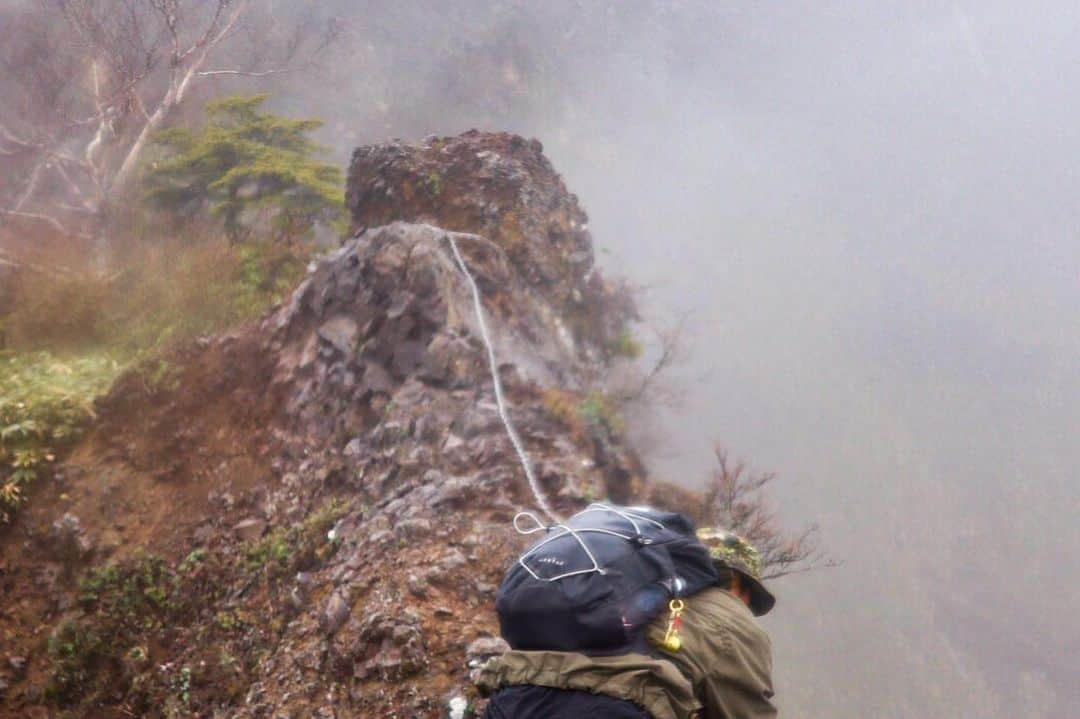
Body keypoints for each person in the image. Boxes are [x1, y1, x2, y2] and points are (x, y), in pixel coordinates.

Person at [478, 529, 778, 719]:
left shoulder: (619, 584)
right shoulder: (732, 619)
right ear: (738, 581)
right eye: (750, 598)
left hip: (513, 702)